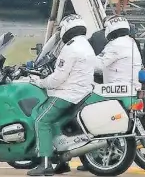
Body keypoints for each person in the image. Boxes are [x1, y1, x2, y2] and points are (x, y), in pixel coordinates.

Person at [28, 14, 95, 176]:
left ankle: (45, 164)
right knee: (56, 123)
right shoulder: (86, 44)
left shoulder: (70, 48)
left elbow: (58, 78)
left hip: (67, 95)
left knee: (41, 121)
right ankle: (62, 162)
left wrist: (39, 82)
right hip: (83, 93)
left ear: (66, 29)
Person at [94, 16, 143, 90]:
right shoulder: (130, 41)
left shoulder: (115, 44)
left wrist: (84, 62)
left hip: (118, 89)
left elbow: (99, 64)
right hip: (131, 87)